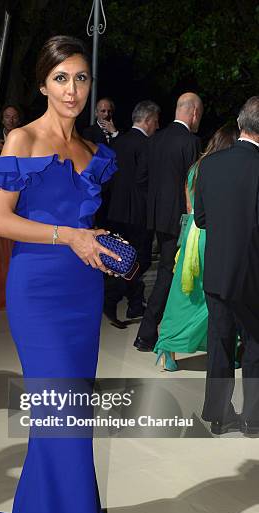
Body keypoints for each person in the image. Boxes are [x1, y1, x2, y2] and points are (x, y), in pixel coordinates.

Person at [0, 35, 120, 513]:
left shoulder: (90, 150)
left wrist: (93, 240)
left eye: (81, 78)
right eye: (62, 78)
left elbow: (80, 225)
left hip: (83, 294)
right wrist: (68, 235)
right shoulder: (22, 139)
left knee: (61, 419)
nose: (73, 90)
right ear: (42, 83)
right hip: (37, 294)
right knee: (67, 423)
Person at [194, 97, 259, 436]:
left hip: (218, 269)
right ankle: (253, 418)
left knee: (219, 343)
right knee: (255, 344)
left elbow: (201, 218)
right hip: (253, 272)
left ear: (239, 122)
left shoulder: (210, 164)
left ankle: (218, 415)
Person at [154, 124, 240, 372]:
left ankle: (167, 348)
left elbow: (190, 208)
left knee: (184, 296)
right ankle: (224, 349)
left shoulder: (196, 168)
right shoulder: (225, 170)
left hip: (191, 234)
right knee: (217, 296)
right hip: (213, 235)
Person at [134, 92, 203, 351]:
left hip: (156, 218)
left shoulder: (155, 140)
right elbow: (194, 184)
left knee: (167, 271)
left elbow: (141, 179)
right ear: (194, 113)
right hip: (181, 220)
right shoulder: (191, 142)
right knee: (169, 274)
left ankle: (151, 333)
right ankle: (149, 333)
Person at [105, 100, 160, 325]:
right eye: (156, 122)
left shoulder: (118, 142)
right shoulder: (147, 145)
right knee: (141, 259)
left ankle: (135, 304)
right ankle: (113, 296)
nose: (157, 126)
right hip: (138, 213)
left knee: (123, 259)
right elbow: (144, 180)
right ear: (147, 120)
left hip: (116, 211)